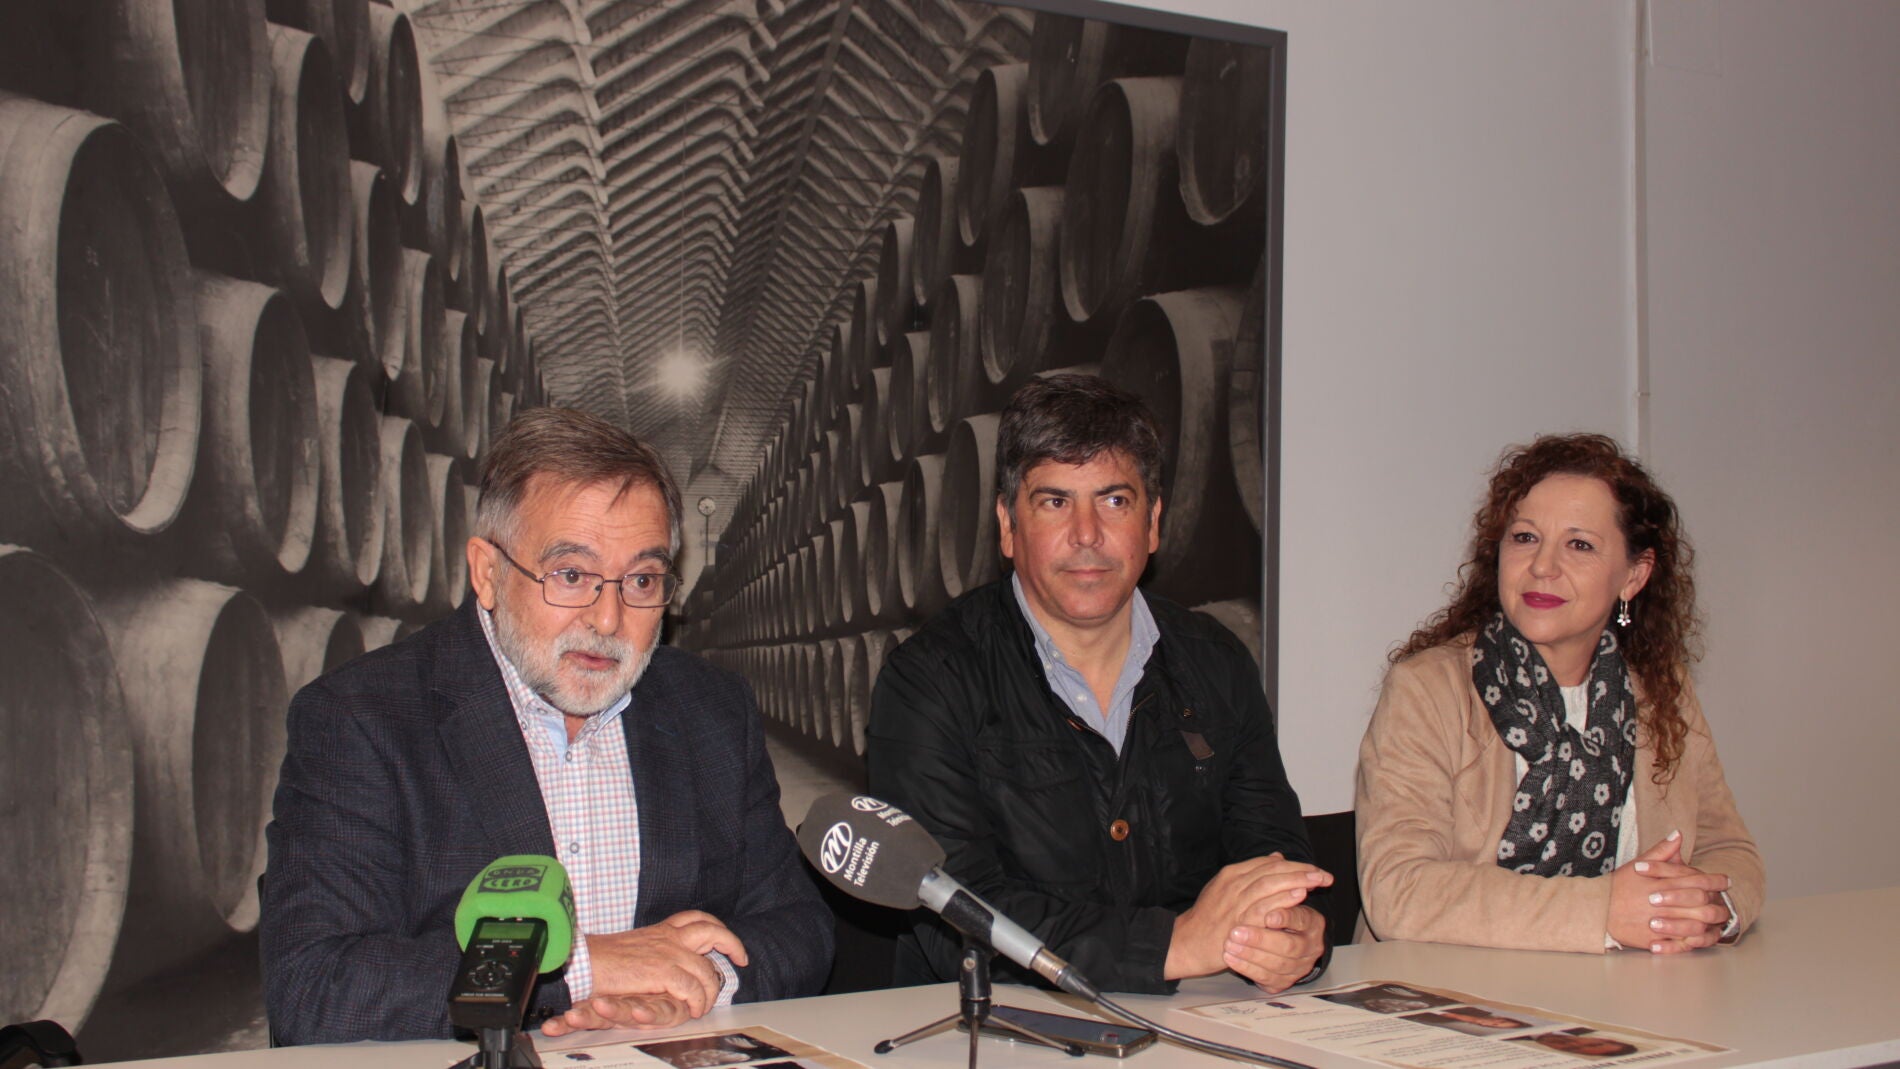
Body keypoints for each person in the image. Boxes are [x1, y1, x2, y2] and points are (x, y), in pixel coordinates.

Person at [260, 408, 832, 1043]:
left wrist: (699, 980)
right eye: (572, 575)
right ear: (488, 573)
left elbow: (798, 925)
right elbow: (314, 985)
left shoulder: (712, 710)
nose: (608, 619)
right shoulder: (361, 718)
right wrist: (580, 968)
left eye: (643, 579)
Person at [867, 374, 1329, 994]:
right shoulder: (929, 680)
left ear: (1153, 522)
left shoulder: (1217, 662)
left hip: (1204, 1012)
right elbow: (953, 916)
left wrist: (1292, 930)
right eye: (1055, 502)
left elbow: (1273, 852)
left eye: (1114, 501)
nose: (1087, 534)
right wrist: (1170, 945)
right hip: (995, 1026)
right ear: (1007, 526)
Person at [1356, 433, 1764, 953]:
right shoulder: (1428, 688)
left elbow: (1729, 848)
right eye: (1525, 537)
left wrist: (1708, 909)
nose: (1543, 566)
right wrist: (1604, 911)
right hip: (1455, 988)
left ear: (1634, 576)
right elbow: (1398, 892)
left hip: (1634, 987)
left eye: (1579, 545)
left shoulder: (1661, 691)